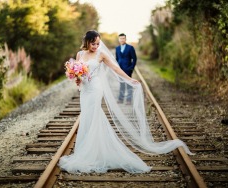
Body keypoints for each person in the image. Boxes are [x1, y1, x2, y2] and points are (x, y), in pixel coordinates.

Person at [59, 30, 194, 174]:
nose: (96, 46)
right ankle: (88, 150)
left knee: (93, 116)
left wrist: (129, 79)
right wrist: (77, 78)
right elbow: (78, 74)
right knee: (87, 116)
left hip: (96, 89)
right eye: (93, 43)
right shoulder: (80, 54)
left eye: (98, 43)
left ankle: (91, 153)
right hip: (84, 90)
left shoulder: (101, 54)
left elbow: (115, 68)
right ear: (87, 42)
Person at [115, 33, 137, 105]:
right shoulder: (117, 48)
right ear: (119, 39)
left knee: (129, 84)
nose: (122, 40)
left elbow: (134, 59)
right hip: (119, 69)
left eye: (123, 38)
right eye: (120, 38)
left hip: (128, 69)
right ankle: (121, 99)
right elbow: (117, 59)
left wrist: (131, 68)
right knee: (121, 84)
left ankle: (128, 100)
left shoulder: (130, 48)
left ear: (125, 39)